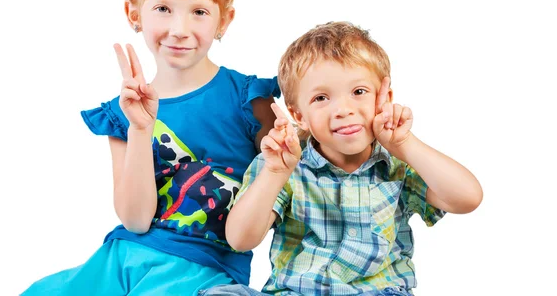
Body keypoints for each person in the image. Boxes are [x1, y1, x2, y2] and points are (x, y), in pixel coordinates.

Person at [21, 0, 280, 296]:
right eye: (163, 8)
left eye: (199, 12)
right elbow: (135, 219)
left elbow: (294, 176)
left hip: (204, 271)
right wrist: (141, 129)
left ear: (224, 20)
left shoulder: (249, 99)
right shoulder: (121, 112)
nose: (179, 29)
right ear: (134, 13)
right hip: (121, 258)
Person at [203, 21, 483, 295]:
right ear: (299, 115)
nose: (343, 109)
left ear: (383, 98)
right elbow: (240, 240)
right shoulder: (281, 161)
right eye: (321, 98)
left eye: (358, 92)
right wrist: (275, 173)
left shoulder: (399, 163)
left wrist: (405, 144)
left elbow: (467, 198)